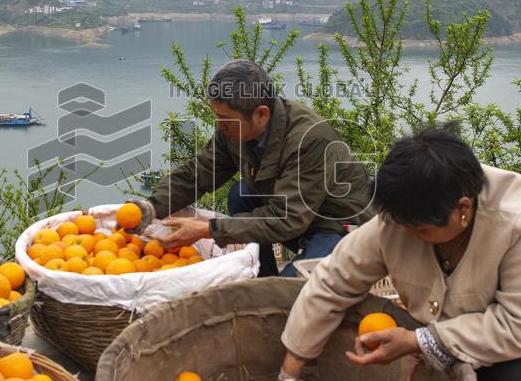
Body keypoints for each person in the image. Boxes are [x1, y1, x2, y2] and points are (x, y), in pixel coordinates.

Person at [269, 125, 521, 381]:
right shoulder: (403, 215)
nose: (408, 236)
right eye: (400, 225)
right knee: (441, 361)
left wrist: (416, 341)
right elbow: (333, 280)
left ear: (463, 210)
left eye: (420, 230)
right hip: (478, 322)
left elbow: (520, 325)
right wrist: (290, 373)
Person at [137, 59, 372, 277]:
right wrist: (150, 208)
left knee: (290, 294)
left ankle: (279, 284)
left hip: (335, 224)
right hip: (294, 216)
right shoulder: (233, 130)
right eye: (217, 116)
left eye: (225, 118)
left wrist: (209, 229)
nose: (219, 125)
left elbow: (286, 218)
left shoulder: (309, 140)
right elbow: (196, 174)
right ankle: (264, 276)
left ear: (261, 114)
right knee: (241, 194)